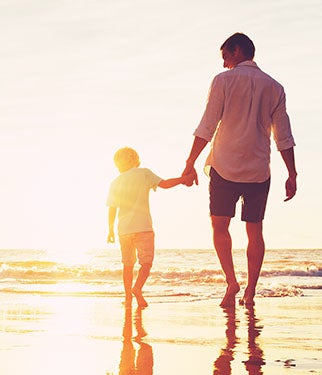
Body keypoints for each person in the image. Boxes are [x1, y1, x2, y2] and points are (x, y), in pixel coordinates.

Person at [182, 32, 297, 307]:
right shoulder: (275, 87)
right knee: (254, 230)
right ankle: (250, 291)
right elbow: (283, 135)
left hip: (224, 166)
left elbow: (207, 125)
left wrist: (190, 162)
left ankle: (232, 281)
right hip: (259, 169)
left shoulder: (223, 81)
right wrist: (292, 173)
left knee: (219, 226)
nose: (224, 64)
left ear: (236, 51)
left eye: (225, 56)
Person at [107, 147, 194, 308]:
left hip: (124, 230)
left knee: (127, 265)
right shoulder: (144, 173)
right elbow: (165, 184)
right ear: (135, 160)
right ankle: (137, 288)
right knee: (146, 263)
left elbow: (112, 208)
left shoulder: (115, 182)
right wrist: (183, 179)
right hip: (143, 227)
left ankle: (128, 297)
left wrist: (110, 230)